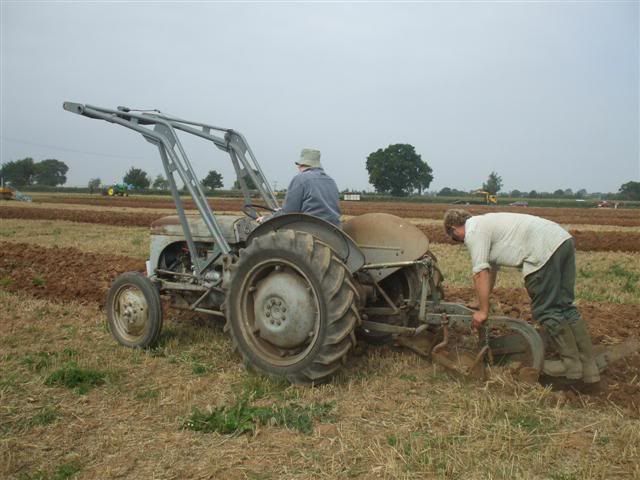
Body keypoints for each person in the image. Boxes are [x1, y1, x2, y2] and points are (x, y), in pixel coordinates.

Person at [443, 209, 600, 383]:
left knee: (547, 310)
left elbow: (481, 272)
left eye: (455, 239)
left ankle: (571, 365)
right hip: (562, 240)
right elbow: (491, 270)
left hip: (542, 250)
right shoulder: (486, 223)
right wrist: (481, 301)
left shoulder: (473, 231)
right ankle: (589, 366)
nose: (460, 242)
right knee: (565, 306)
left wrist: (483, 311)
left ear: (453, 228)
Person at [259, 148, 342, 227]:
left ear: (300, 165)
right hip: (334, 229)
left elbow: (289, 213)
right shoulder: (331, 180)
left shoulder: (300, 179)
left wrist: (266, 219)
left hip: (309, 227)